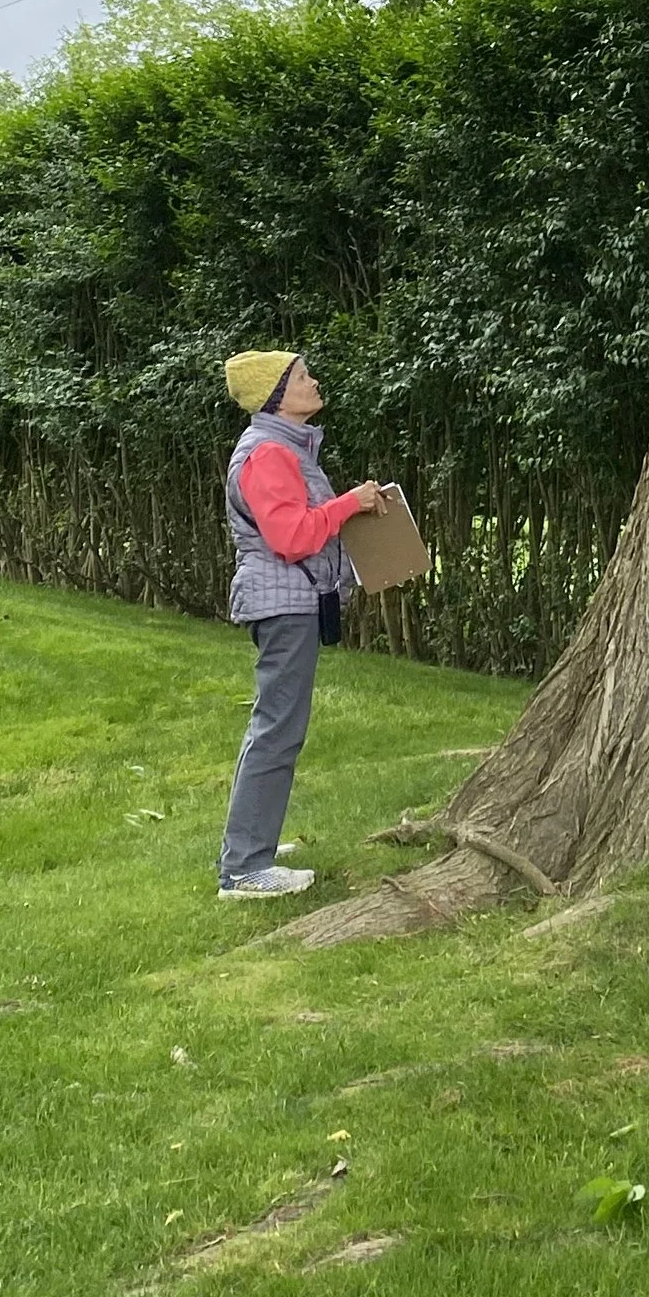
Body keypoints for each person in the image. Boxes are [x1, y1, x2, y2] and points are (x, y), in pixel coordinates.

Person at [215, 349, 390, 901]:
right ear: (276, 396)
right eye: (301, 377)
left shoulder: (286, 448)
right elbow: (291, 537)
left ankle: (253, 844)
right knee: (276, 730)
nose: (313, 382)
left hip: (292, 603)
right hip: (284, 606)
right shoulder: (268, 454)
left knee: (278, 728)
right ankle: (245, 868)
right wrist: (348, 504)